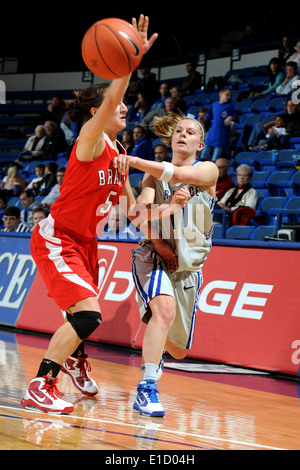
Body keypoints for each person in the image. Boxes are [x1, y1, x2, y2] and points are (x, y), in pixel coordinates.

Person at [20, 14, 158, 415]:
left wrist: (161, 214)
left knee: (80, 315)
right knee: (89, 314)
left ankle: (76, 360)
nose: (126, 110)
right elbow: (114, 99)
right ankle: (41, 385)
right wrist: (128, 62)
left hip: (86, 242)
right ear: (99, 110)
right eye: (118, 107)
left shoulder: (119, 156)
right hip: (58, 236)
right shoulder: (90, 139)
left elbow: (133, 209)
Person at [113, 112, 218, 417]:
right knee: (164, 310)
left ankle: (156, 348)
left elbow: (178, 176)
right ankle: (147, 388)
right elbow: (138, 215)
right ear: (172, 139)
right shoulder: (152, 177)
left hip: (187, 268)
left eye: (191, 132)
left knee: (179, 350)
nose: (183, 134)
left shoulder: (207, 170)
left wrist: (132, 160)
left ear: (200, 144)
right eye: (179, 131)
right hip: (153, 254)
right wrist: (160, 237)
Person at [201, 88, 238, 161]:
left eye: (230, 95)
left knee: (215, 159)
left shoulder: (229, 106)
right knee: (203, 156)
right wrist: (203, 119)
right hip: (211, 134)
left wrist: (231, 117)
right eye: (227, 95)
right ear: (220, 94)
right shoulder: (214, 105)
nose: (228, 97)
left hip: (221, 136)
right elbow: (208, 116)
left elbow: (236, 117)